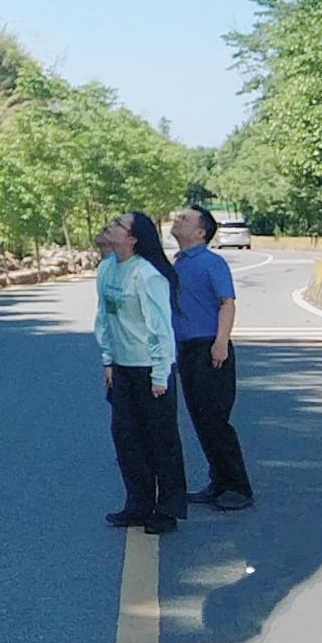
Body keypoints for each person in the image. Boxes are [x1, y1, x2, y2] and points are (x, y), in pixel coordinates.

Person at [95, 211, 189, 533]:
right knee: (127, 438)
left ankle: (168, 509)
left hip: (150, 368)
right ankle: (138, 504)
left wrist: (160, 374)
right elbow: (104, 318)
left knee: (161, 440)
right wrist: (108, 359)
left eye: (118, 224)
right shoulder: (107, 268)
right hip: (122, 368)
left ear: (133, 238)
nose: (110, 225)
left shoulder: (148, 274)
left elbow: (160, 328)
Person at [170, 206, 255, 511]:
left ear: (200, 232)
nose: (176, 220)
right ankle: (218, 482)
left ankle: (239, 487)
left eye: (184, 219)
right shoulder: (178, 263)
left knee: (216, 421)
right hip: (187, 349)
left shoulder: (211, 262)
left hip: (209, 347)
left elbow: (227, 303)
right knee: (201, 420)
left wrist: (221, 342)